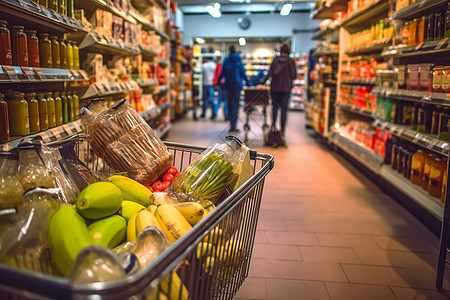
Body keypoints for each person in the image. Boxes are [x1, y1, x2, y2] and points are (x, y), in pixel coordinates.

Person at [259, 43, 296, 146]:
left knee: (274, 108)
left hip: (274, 88)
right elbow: (294, 76)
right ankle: (282, 132)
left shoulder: (275, 60)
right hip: (286, 89)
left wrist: (261, 83)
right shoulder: (290, 61)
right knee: (284, 110)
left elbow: (270, 73)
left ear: (280, 51)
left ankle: (273, 126)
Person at [217, 46, 250, 133]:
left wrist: (218, 83)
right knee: (236, 105)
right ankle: (234, 125)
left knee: (230, 105)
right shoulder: (238, 61)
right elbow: (243, 74)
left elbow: (222, 74)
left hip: (228, 86)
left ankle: (231, 125)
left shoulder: (226, 61)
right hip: (237, 86)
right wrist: (249, 84)